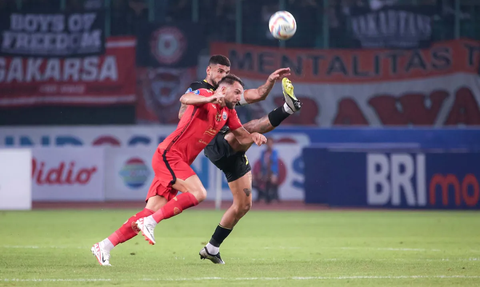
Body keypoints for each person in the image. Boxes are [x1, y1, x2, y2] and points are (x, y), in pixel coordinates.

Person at [91, 74, 267, 266]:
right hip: (169, 155)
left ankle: (104, 246)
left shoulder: (228, 112)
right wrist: (208, 98)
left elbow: (241, 135)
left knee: (149, 211)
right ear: (223, 90)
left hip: (177, 162)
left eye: (241, 94)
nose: (239, 97)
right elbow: (185, 98)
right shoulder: (205, 95)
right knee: (198, 193)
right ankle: (151, 223)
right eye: (236, 92)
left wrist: (254, 136)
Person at [180, 55, 301, 264]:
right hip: (214, 143)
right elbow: (183, 108)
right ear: (208, 71)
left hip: (233, 144)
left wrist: (270, 81)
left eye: (226, 72)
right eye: (219, 71)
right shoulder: (200, 89)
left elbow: (258, 94)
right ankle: (287, 109)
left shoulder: (229, 93)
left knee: (243, 205)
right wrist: (206, 103)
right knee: (251, 128)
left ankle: (212, 248)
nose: (223, 75)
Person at [254, 137, 280, 204]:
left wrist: (272, 173)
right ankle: (263, 196)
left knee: (272, 180)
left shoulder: (274, 152)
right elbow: (261, 164)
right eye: (268, 143)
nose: (269, 144)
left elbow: (274, 163)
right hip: (264, 172)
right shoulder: (263, 153)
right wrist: (260, 172)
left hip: (272, 172)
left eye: (270, 143)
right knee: (258, 180)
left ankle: (274, 197)